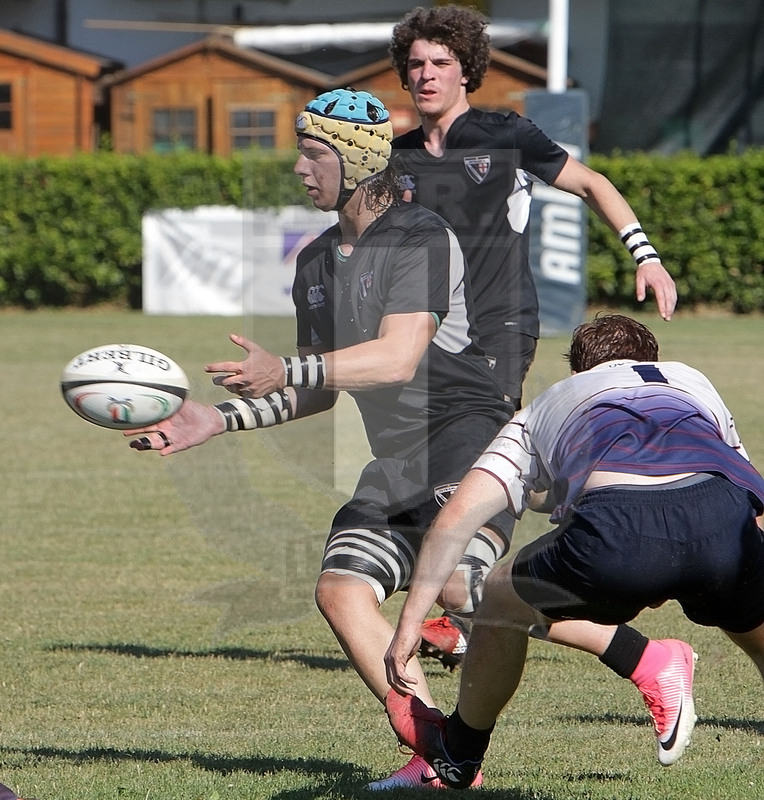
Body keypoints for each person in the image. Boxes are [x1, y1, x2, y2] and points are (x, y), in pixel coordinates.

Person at [126, 87, 517, 790]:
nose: (301, 169)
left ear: (358, 160)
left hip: (468, 437)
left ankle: (645, 657)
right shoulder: (314, 262)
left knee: (459, 585)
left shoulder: (419, 234)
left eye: (314, 154)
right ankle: (441, 760)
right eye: (301, 153)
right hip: (398, 460)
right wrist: (216, 418)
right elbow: (319, 386)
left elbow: (397, 356)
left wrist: (287, 366)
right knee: (340, 590)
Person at [389, 1, 679, 685]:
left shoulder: (505, 135)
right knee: (412, 501)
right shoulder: (396, 160)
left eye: (440, 63)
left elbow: (591, 183)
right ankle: (466, 604)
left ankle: (620, 641)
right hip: (421, 347)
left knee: (461, 500)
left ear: (466, 73)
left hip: (495, 339)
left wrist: (646, 255)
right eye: (416, 66)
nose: (426, 74)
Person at [384, 314, 764, 788]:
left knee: (501, 593)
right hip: (722, 518)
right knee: (753, 628)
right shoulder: (691, 381)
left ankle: (459, 754)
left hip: (618, 530)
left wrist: (407, 625)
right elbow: (746, 491)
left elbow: (457, 517)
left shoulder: (549, 404)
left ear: (578, 371)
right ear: (653, 360)